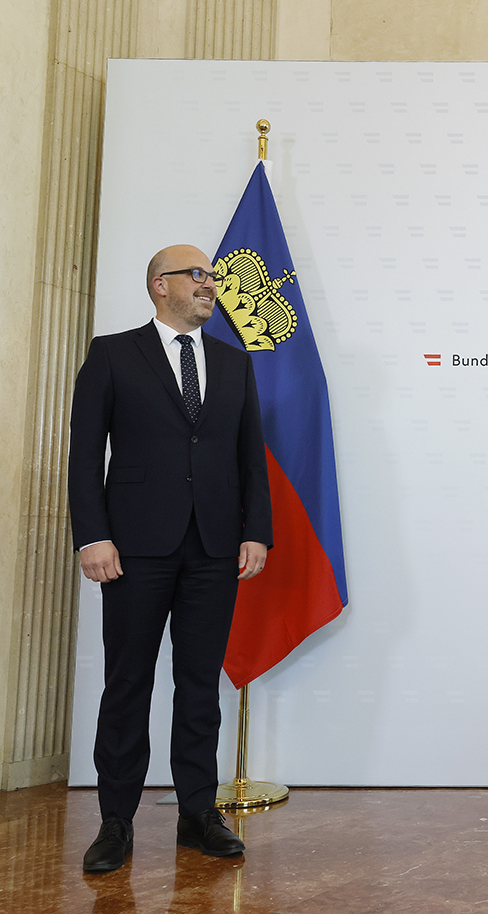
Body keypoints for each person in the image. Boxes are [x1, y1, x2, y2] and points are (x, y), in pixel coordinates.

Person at [69, 244, 272, 873]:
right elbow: (83, 455)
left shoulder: (235, 365)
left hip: (214, 548)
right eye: (201, 276)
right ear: (162, 285)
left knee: (198, 686)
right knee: (127, 684)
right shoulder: (110, 354)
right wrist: (91, 536)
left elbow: (250, 457)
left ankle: (197, 814)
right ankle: (115, 822)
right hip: (132, 549)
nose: (213, 286)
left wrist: (256, 532)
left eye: (214, 277)